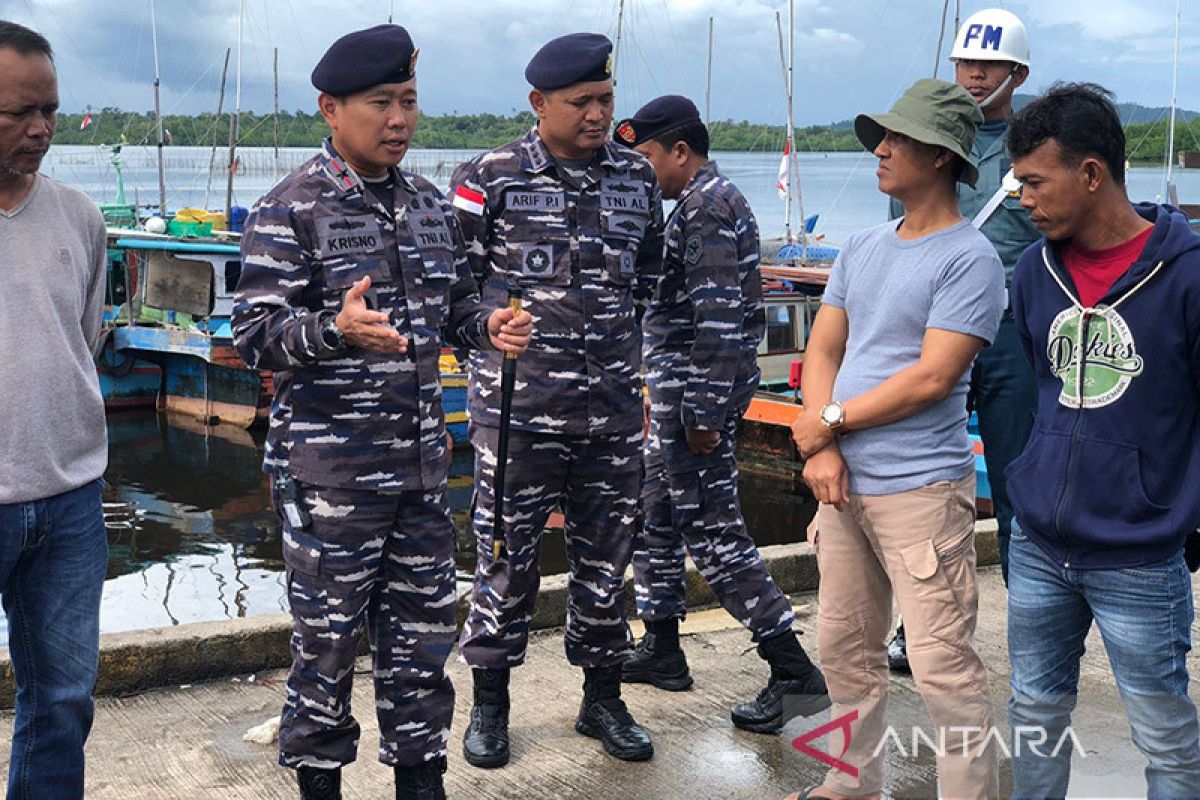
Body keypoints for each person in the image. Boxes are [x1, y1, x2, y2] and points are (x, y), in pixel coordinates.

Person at [231, 24, 531, 800]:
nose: (398, 119)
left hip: (424, 473)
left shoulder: (430, 206)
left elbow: (460, 305)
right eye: (379, 103)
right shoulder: (288, 208)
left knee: (423, 647)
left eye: (408, 101)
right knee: (326, 650)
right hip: (330, 480)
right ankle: (321, 784)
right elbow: (255, 336)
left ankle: (420, 782)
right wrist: (335, 330)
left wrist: (487, 326)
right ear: (331, 108)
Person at [787, 79, 1004, 800]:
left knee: (944, 667)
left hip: (919, 490)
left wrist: (831, 423)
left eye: (900, 138)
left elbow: (932, 378)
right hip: (844, 485)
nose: (881, 149)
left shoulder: (970, 259)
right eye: (884, 136)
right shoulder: (863, 245)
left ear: (941, 157)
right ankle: (849, 787)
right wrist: (820, 446)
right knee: (845, 652)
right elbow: (823, 352)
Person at [450, 32, 662, 768]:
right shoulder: (491, 177)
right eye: (583, 103)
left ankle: (602, 698)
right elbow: (456, 289)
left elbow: (650, 278)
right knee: (506, 561)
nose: (599, 114)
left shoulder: (638, 178)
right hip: (518, 415)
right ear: (540, 104)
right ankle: (491, 706)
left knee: (608, 562)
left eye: (607, 100)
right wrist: (487, 330)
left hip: (609, 414)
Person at [1004, 82, 1200, 799]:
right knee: (1032, 713)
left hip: (1141, 555)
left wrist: (1183, 516)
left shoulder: (1189, 276)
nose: (1022, 198)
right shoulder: (1033, 272)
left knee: (1165, 737)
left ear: (1091, 174)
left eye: (1033, 181)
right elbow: (1042, 387)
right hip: (1037, 548)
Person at [612, 95, 829, 732]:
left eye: (646, 158)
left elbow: (717, 321)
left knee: (715, 535)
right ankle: (662, 646)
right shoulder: (704, 203)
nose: (640, 171)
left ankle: (792, 671)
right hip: (678, 395)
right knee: (654, 515)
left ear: (680, 152)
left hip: (692, 403)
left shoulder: (707, 208)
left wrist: (704, 414)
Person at [886, 7, 1040, 672]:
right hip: (936, 328)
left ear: (1017, 72)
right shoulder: (925, 142)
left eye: (991, 65)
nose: (975, 76)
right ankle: (913, 627)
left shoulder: (1034, 147)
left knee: (1016, 482)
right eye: (966, 64)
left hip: (1010, 331)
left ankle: (1031, 624)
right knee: (922, 483)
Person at [0, 21, 109, 800]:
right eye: (18, 113)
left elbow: (85, 341)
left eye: (50, 110)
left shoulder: (80, 218)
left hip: (70, 500)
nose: (41, 129)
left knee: (63, 701)